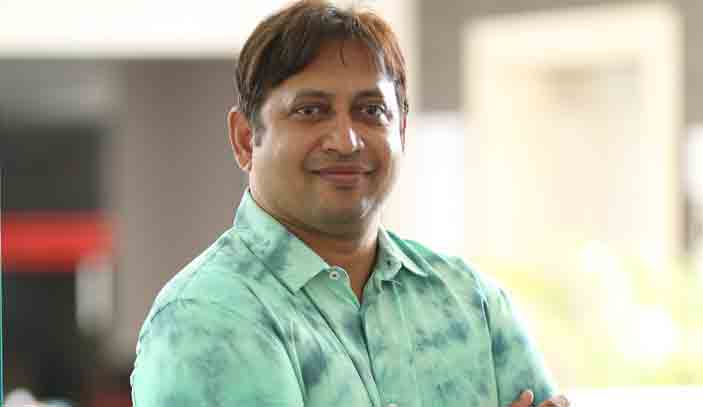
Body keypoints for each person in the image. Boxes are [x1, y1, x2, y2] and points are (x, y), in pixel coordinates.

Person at [130, 1, 570, 406]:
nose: (346, 141)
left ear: (401, 131)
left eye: (371, 111)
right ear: (246, 139)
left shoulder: (470, 302)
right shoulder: (206, 317)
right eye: (311, 111)